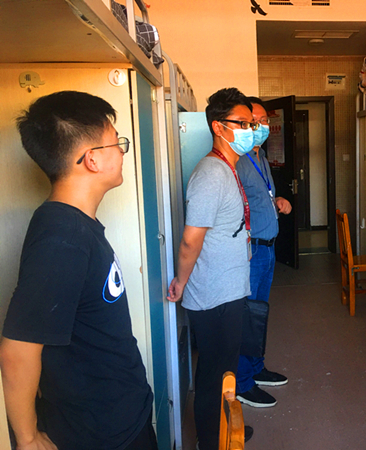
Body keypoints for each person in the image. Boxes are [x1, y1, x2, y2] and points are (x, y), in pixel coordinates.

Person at [0, 91, 156, 450]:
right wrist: (28, 438)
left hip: (118, 415)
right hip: (99, 433)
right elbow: (17, 349)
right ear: (92, 159)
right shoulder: (62, 237)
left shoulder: (74, 225)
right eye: (116, 142)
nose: (122, 152)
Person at [167, 87, 255, 449]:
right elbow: (191, 240)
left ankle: (222, 427)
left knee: (225, 370)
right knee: (214, 373)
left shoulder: (226, 168)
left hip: (227, 288)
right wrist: (181, 281)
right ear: (219, 127)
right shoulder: (210, 174)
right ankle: (209, 440)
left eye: (251, 124)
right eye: (243, 123)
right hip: (213, 295)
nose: (250, 130)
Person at [234, 97, 292, 408]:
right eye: (253, 122)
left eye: (264, 121)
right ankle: (243, 383)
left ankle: (256, 369)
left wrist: (277, 201)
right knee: (248, 316)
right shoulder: (237, 161)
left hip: (268, 249)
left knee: (259, 314)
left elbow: (260, 198)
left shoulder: (262, 158)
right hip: (251, 251)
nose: (260, 127)